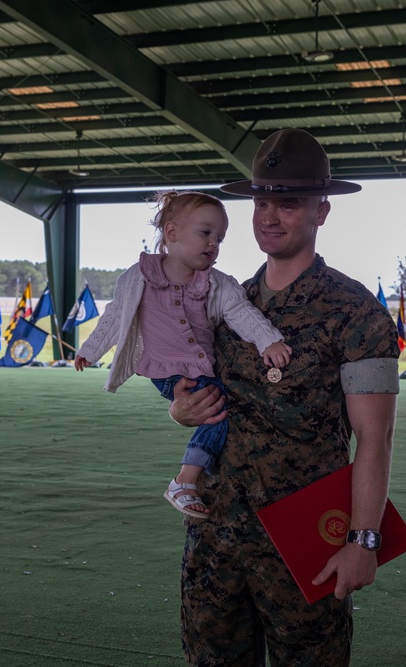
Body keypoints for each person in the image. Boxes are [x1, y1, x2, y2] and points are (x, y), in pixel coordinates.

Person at [168, 129, 401, 665]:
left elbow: (375, 436)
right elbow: (193, 394)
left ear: (322, 211)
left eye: (288, 204)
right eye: (261, 201)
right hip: (216, 533)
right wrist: (182, 409)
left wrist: (364, 540)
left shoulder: (355, 312)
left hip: (305, 540)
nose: (269, 217)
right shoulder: (222, 300)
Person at [73, 190, 292, 519]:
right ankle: (185, 480)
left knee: (218, 405)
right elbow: (115, 316)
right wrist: (90, 351)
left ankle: (193, 475)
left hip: (200, 367)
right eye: (205, 233)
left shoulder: (217, 284)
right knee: (219, 405)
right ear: (172, 232)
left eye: (220, 238)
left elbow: (242, 312)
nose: (213, 244)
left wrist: (269, 341)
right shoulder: (138, 278)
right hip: (165, 370)